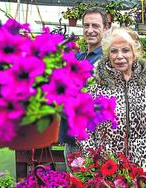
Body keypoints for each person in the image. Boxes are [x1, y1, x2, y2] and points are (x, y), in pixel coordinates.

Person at [79, 27, 146, 167]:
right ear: (108, 54)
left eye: (125, 50)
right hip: (108, 168)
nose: (119, 56)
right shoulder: (96, 84)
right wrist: (92, 162)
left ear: (134, 53)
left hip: (144, 166)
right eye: (114, 51)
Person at [59, 7, 108, 167]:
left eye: (95, 26)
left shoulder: (105, 62)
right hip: (71, 138)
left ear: (106, 29)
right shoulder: (79, 57)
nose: (90, 30)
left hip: (89, 142)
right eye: (86, 26)